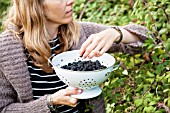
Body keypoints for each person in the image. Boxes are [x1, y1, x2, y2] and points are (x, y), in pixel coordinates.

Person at [0, 0, 149, 113]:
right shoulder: (6, 49)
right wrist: (49, 103)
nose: (71, 1)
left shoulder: (80, 33)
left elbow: (149, 41)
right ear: (34, 5)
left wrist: (117, 33)